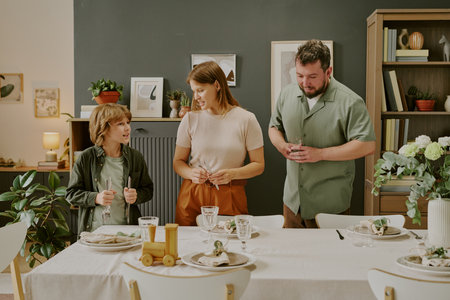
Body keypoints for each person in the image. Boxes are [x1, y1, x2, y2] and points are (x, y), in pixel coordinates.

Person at [269, 39, 376, 228]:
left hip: (330, 207)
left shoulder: (351, 102)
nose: (304, 82)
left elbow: (367, 145)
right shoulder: (286, 94)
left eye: (312, 76)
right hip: (292, 203)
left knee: (330, 257)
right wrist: (281, 145)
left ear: (328, 72)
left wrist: (321, 154)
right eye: (299, 75)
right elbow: (273, 127)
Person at [173, 61, 265, 226]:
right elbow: (178, 163)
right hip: (192, 194)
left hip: (230, 194)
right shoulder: (190, 119)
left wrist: (232, 174)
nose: (196, 97)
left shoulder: (246, 119)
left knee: (231, 245)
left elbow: (259, 165)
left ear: (216, 85)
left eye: (200, 90)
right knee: (188, 245)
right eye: (194, 91)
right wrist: (191, 173)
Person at [66, 103, 153, 235]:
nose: (128, 128)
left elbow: (148, 190)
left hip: (127, 232)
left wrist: (136, 196)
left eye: (128, 122)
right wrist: (96, 198)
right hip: (94, 232)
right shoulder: (86, 157)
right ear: (104, 128)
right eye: (120, 124)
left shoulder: (135, 157)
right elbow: (71, 194)